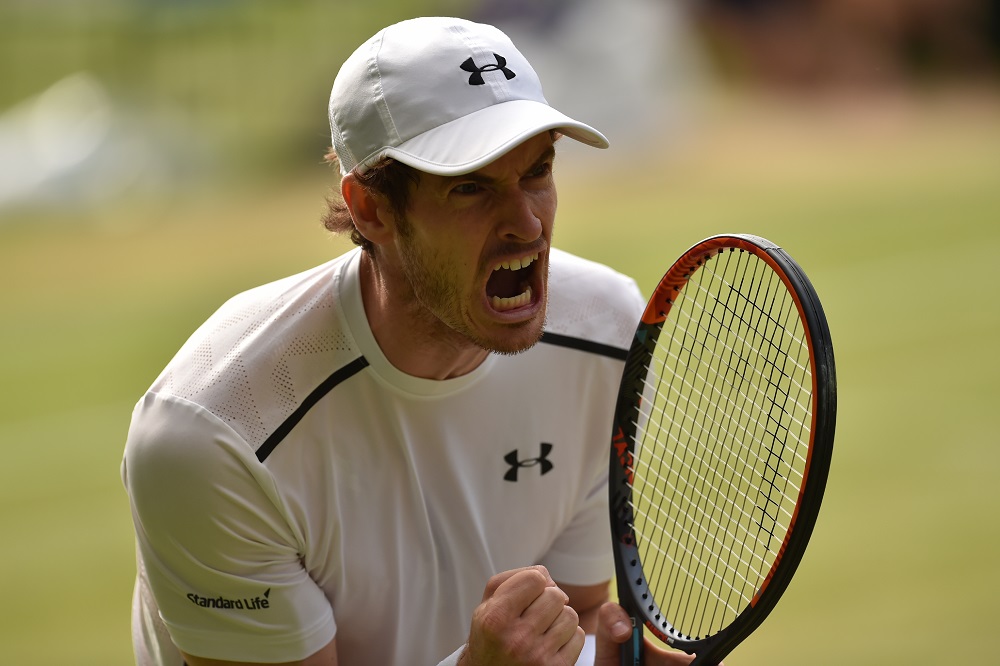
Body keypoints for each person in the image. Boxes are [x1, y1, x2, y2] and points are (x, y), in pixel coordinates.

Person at [121, 16, 700, 666]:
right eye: (470, 188)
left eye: (538, 172)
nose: (527, 224)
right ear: (371, 209)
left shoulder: (607, 337)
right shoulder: (216, 432)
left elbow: (572, 621)